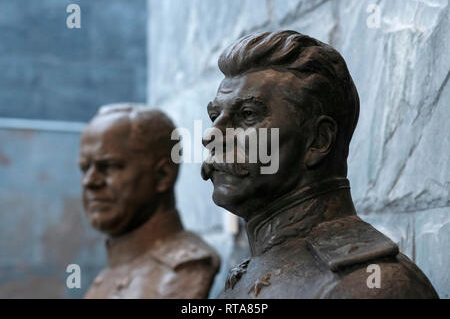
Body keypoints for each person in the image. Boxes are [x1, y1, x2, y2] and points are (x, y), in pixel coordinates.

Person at [201, 31, 438, 298]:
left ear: (318, 140)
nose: (210, 135)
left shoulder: (370, 285)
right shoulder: (256, 269)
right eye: (214, 116)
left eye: (247, 115)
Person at [80, 103, 220, 298]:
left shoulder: (183, 269)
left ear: (163, 175)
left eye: (109, 166)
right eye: (85, 168)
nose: (89, 182)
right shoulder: (109, 274)